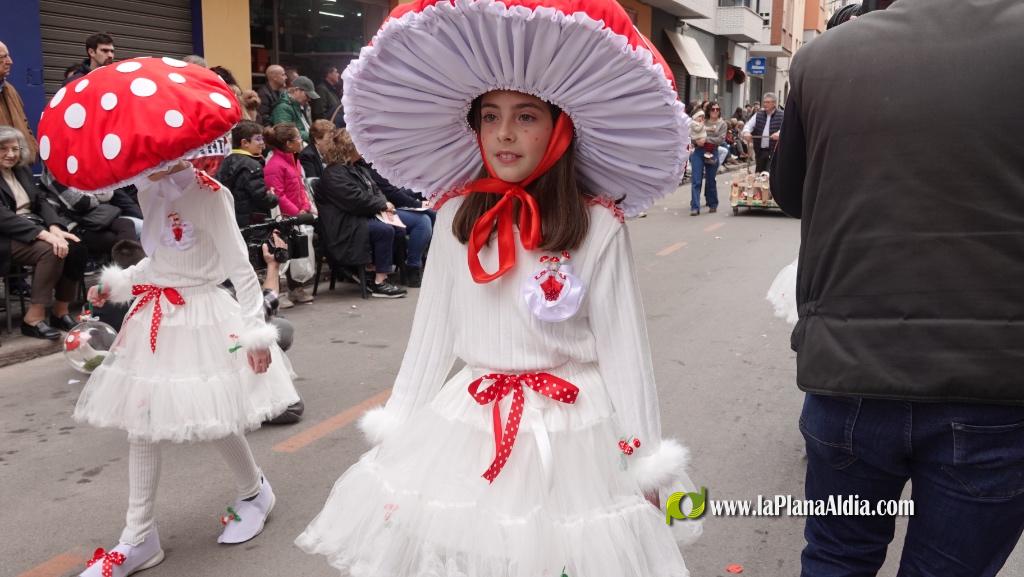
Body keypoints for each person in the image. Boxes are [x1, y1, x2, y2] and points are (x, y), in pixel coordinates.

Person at [296, 1, 700, 574]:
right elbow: (431, 333)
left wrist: (645, 456)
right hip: (470, 420)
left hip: (573, 431)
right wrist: (402, 425)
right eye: (490, 116)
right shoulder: (456, 212)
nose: (504, 134)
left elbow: (625, 351)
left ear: (560, 128)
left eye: (526, 116)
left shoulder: (598, 225)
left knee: (557, 555)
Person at [769, 1, 1024, 576]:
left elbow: (790, 193)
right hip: (997, 385)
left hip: (849, 372)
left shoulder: (821, 59)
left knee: (836, 557)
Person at [37, 57, 299, 577]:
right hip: (155, 313)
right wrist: (121, 282)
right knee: (143, 421)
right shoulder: (148, 189)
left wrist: (256, 331)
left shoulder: (211, 195)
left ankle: (255, 491)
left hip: (201, 315)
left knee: (214, 417)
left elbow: (241, 271)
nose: (137, 159)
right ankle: (138, 537)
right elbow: (162, 260)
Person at [0, 125, 85, 339]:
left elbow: (40, 201)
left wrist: (55, 227)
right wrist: (46, 234)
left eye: (15, 148)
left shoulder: (22, 170)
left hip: (33, 228)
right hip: (7, 235)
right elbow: (3, 217)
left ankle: (60, 311)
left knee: (75, 245)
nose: (11, 154)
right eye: (3, 149)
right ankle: (33, 319)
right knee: (50, 250)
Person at [314, 129, 407, 298]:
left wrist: (383, 203)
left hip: (358, 218)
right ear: (348, 149)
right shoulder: (333, 174)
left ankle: (380, 271)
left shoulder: (356, 168)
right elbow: (354, 200)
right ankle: (380, 282)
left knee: (397, 228)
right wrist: (382, 204)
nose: (363, 150)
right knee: (384, 230)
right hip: (344, 226)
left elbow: (375, 190)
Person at [263, 123, 315, 304]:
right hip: (284, 218)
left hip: (298, 215)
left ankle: (296, 288)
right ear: (288, 143)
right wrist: (295, 212)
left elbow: (301, 186)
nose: (302, 141)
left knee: (298, 253)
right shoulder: (274, 165)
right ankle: (280, 293)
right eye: (298, 138)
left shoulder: (295, 160)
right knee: (283, 256)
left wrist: (305, 205)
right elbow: (278, 194)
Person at [217, 120, 279, 227]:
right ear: (244, 143)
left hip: (233, 220)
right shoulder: (252, 165)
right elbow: (261, 197)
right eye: (258, 139)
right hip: (252, 223)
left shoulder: (226, 161)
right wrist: (273, 197)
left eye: (262, 139)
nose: (262, 143)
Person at [0, 41, 38, 161]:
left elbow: (24, 123)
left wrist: (32, 148)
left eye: (8, 56)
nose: (10, 61)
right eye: (3, 57)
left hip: (19, 165)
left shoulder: (10, 89)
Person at [742, 92, 783, 173]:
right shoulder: (758, 114)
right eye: (764, 102)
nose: (765, 104)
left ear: (774, 103)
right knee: (758, 173)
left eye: (768, 102)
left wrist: (779, 133)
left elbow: (785, 128)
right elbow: (748, 125)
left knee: (769, 174)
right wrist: (746, 132)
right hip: (760, 151)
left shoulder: (782, 115)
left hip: (775, 151)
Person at [270, 76, 319, 143]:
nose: (309, 99)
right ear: (296, 90)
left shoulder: (299, 105)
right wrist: (314, 136)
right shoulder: (282, 108)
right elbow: (286, 133)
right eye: (307, 95)